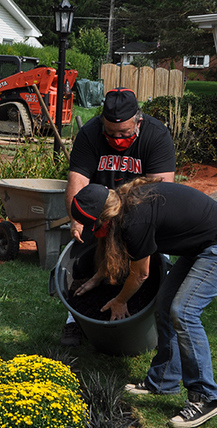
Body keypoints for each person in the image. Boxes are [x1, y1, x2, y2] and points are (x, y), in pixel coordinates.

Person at [70, 179, 217, 428]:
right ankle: (163, 380)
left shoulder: (135, 221)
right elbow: (117, 251)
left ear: (106, 218)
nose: (94, 231)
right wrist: (98, 277)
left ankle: (206, 397)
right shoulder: (124, 202)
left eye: (94, 225)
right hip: (201, 245)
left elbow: (141, 274)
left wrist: (120, 301)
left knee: (184, 312)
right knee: (165, 304)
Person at [60, 87, 176, 346]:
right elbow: (77, 180)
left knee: (155, 268)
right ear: (102, 122)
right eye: (110, 133)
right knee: (84, 262)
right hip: (102, 211)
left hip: (143, 214)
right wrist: (77, 218)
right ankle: (74, 321)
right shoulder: (90, 133)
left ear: (138, 120)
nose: (117, 138)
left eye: (124, 133)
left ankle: (154, 322)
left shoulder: (156, 135)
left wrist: (135, 228)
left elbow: (161, 188)